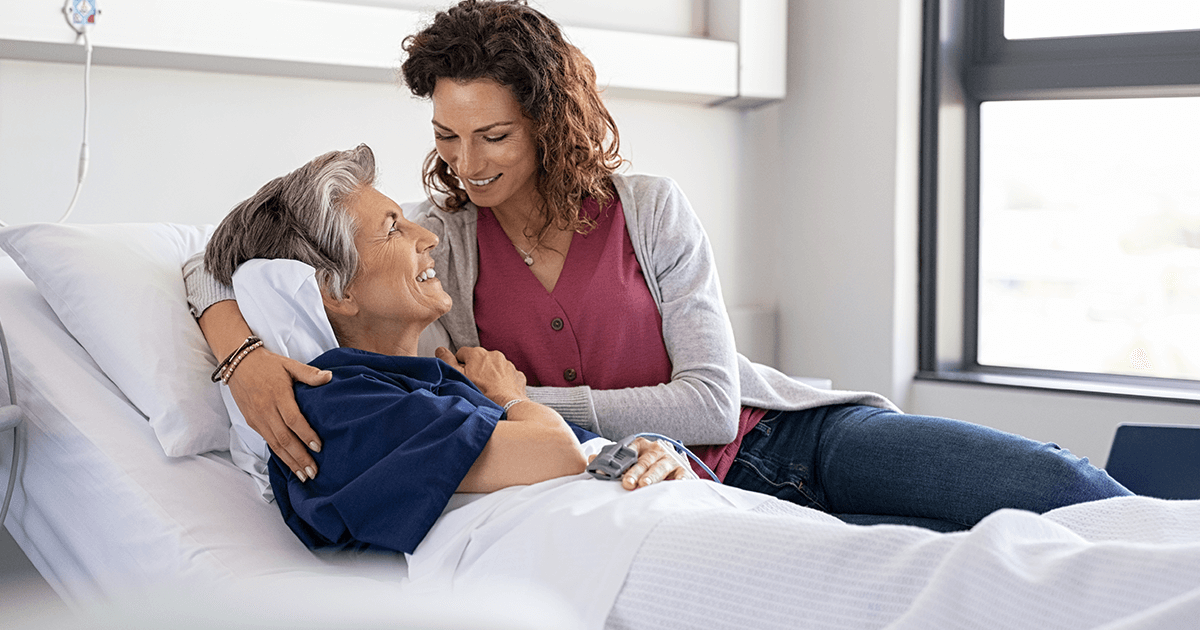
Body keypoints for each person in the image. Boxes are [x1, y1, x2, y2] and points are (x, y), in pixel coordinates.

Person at [184, 0, 1129, 531]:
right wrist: (240, 354)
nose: (467, 165)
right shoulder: (436, 243)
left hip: (782, 443)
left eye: (495, 135)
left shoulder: (649, 209)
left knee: (1055, 487)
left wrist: (536, 398)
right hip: (657, 491)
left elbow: (713, 404)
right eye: (447, 135)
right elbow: (208, 263)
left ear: (547, 123)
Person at [204, 145, 1200, 630]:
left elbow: (597, 444)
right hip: (617, 559)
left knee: (1017, 538)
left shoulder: (411, 372)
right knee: (950, 585)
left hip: (714, 475)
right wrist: (513, 394)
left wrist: (619, 453)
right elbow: (541, 453)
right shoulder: (327, 400)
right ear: (319, 291)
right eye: (391, 230)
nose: (426, 228)